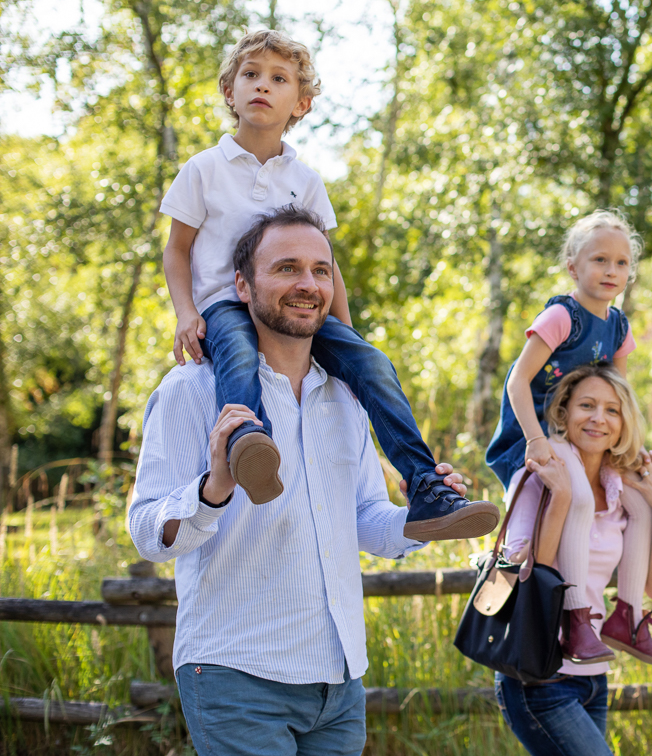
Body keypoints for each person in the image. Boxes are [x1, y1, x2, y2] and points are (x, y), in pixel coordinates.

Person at [129, 209, 472, 756]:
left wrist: (419, 520)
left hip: (338, 682)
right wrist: (213, 488)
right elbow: (146, 532)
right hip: (236, 674)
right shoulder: (189, 391)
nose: (308, 285)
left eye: (321, 270)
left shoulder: (346, 395)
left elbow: (364, 521)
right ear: (242, 285)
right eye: (287, 268)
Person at [160, 28, 496, 540]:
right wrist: (187, 313)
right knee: (236, 351)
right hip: (226, 305)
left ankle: (425, 485)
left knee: (372, 363)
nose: (262, 86)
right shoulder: (203, 169)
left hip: (297, 311)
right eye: (250, 75)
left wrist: (344, 331)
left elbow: (327, 265)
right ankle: (251, 445)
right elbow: (177, 250)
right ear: (230, 91)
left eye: (278, 79)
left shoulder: (307, 178)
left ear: (303, 101)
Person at [485, 211, 652, 666]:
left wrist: (629, 450)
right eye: (600, 260)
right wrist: (533, 440)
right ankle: (574, 616)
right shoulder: (561, 316)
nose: (611, 272)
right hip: (536, 434)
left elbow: (618, 396)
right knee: (574, 504)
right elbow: (517, 381)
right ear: (573, 266)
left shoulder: (618, 327)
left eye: (622, 263)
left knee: (640, 503)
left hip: (581, 435)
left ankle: (626, 615)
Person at [496, 364, 652, 756]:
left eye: (612, 410)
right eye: (587, 406)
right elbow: (521, 574)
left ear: (624, 422)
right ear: (563, 413)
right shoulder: (537, 478)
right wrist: (561, 502)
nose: (599, 418)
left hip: (594, 675)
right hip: (540, 675)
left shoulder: (621, 494)